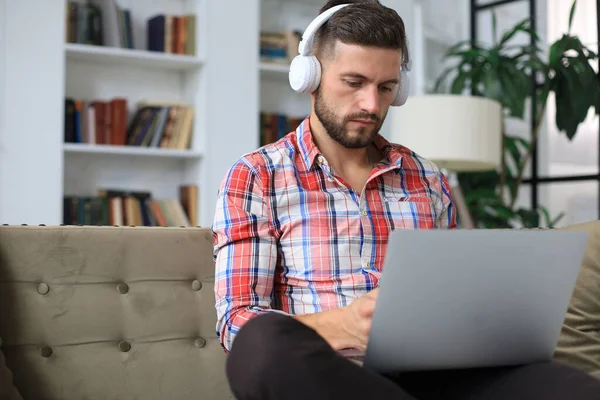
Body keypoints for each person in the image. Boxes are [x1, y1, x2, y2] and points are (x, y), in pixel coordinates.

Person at [211, 1, 600, 399]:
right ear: (310, 74)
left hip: (436, 376)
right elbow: (237, 324)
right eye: (354, 82)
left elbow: (455, 298)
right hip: (333, 376)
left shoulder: (427, 178)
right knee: (261, 345)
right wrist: (342, 324)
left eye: (386, 87)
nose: (371, 105)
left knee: (564, 384)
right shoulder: (257, 176)